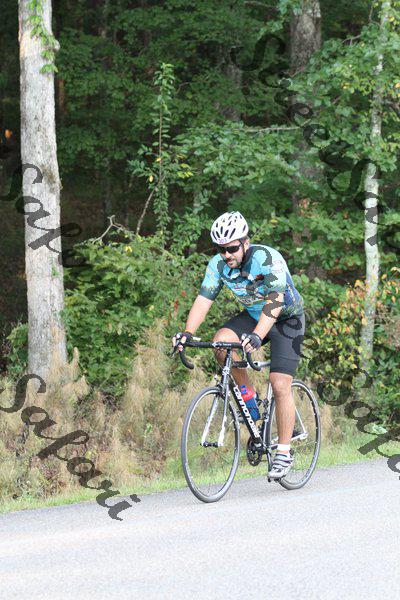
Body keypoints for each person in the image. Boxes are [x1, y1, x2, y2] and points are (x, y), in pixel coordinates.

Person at [172, 211, 305, 479]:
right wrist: (187, 333)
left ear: (245, 242)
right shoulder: (218, 265)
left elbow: (275, 301)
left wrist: (257, 336)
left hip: (286, 319)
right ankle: (249, 398)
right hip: (255, 315)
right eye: (220, 249)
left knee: (279, 383)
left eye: (231, 248)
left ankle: (283, 452)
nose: (226, 255)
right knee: (221, 343)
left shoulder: (267, 259)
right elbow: (204, 300)